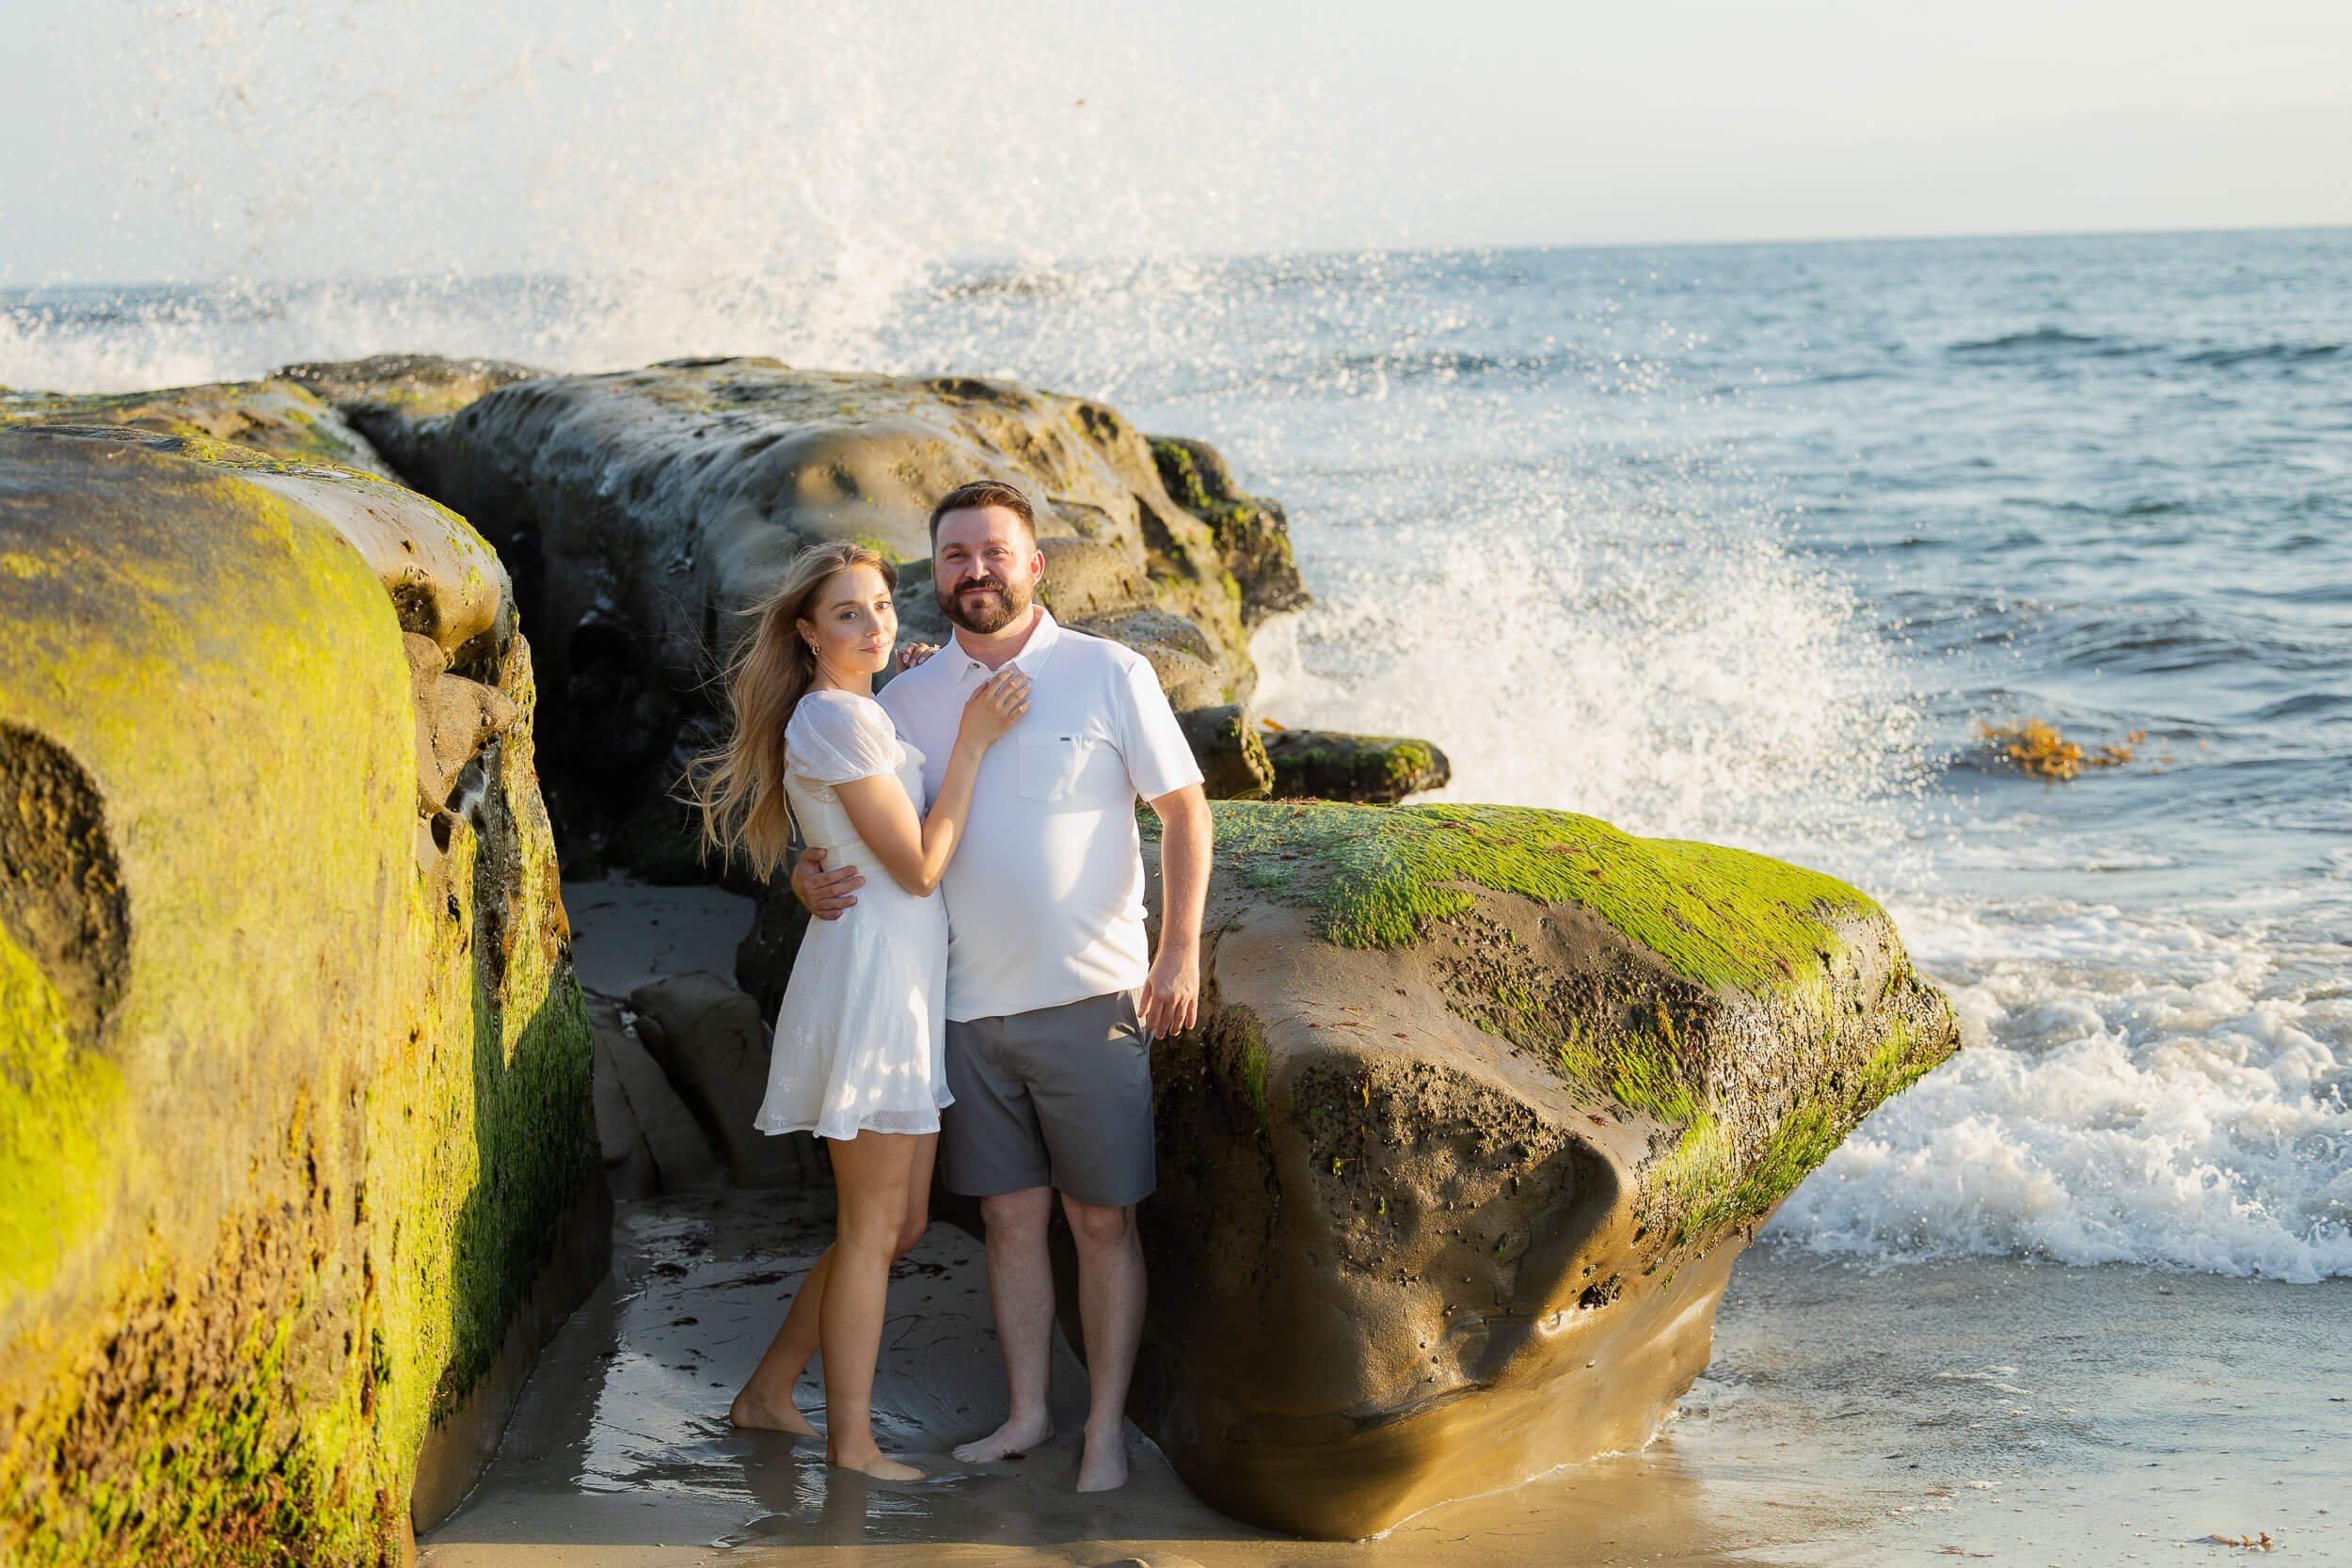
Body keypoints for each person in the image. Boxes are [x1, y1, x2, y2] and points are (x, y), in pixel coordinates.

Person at [794, 480, 1213, 1493]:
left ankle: (1102, 1430)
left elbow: (1187, 811)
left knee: (1101, 1220)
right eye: (953, 556)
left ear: (1035, 565)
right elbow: (854, 815)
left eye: (994, 551)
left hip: (1093, 996)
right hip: (961, 1009)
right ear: (932, 574)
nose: (974, 570)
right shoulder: (905, 698)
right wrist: (804, 874)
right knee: (1010, 1220)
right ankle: (1027, 1412)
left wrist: (1181, 947)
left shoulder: (1107, 670)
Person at [691, 539, 1029, 1481]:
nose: (875, 622)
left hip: (904, 977)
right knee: (873, 1227)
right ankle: (851, 1442)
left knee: (899, 1223)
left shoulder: (863, 713)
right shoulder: (831, 719)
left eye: (882, 604)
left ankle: (767, 1390)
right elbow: (917, 864)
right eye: (848, 611)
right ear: (805, 631)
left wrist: (919, 693)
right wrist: (969, 739)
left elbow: (879, 801)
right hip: (875, 978)